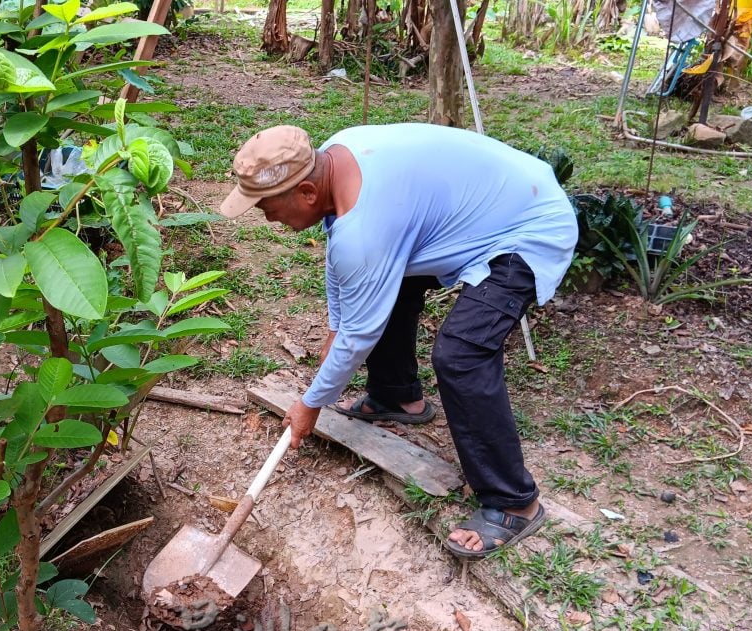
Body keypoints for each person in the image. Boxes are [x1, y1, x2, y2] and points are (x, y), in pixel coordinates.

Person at [218, 123, 578, 557]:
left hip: (528, 225)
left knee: (461, 353)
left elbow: (359, 328)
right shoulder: (334, 158)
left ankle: (514, 503)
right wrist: (334, 330)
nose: (268, 217)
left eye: (267, 208)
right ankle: (397, 396)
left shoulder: (366, 227)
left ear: (308, 193)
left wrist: (311, 403)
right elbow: (343, 272)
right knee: (387, 283)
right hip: (498, 197)